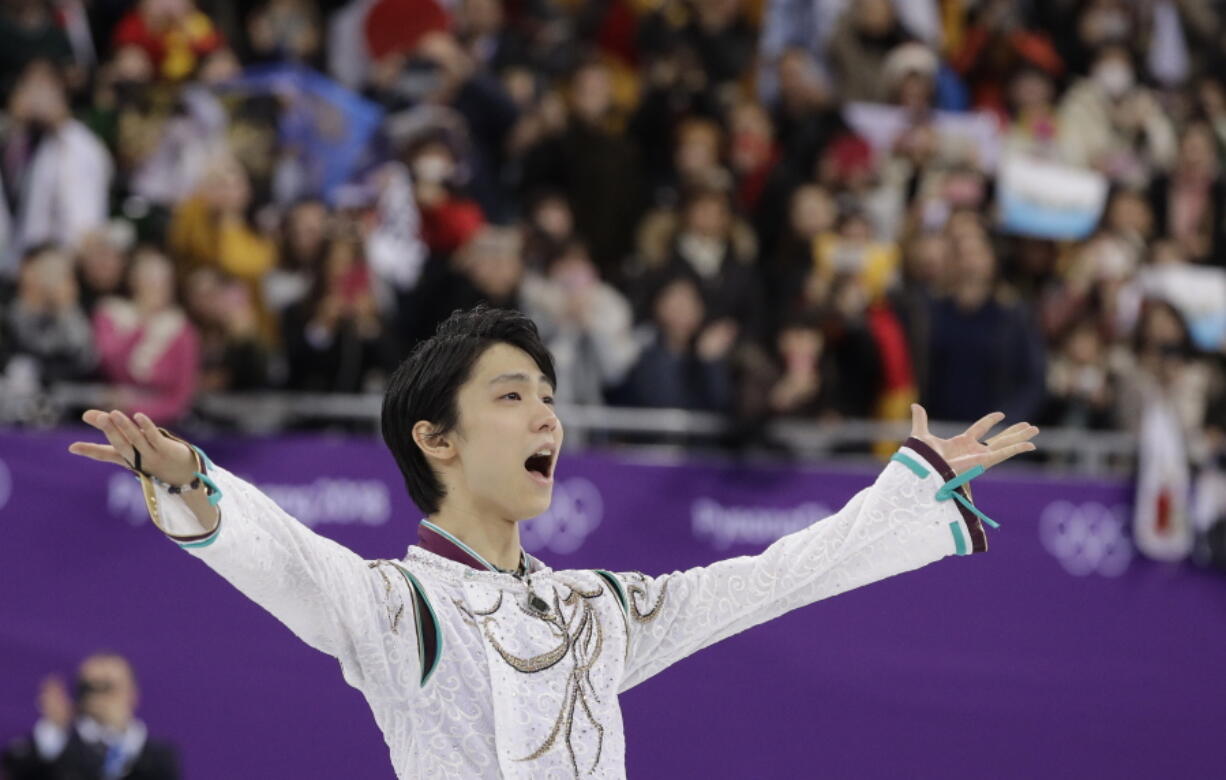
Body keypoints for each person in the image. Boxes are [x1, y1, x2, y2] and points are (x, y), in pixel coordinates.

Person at [67, 306, 1038, 779]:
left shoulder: (596, 610)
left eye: (548, 397)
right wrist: (192, 481)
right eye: (511, 395)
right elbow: (281, 552)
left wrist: (909, 492)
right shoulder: (396, 610)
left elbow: (769, 580)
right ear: (436, 440)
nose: (546, 420)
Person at [1, 652, 180, 779]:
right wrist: (55, 729)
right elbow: (19, 771)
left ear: (132, 694)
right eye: (89, 687)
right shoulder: (54, 746)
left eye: (107, 686)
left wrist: (118, 732)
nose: (98, 696)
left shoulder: (156, 756)